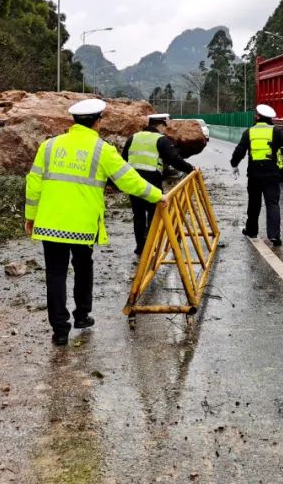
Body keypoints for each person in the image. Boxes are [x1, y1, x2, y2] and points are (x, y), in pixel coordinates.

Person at [25, 99, 162, 346]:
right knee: (83, 267)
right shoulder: (102, 150)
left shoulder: (48, 146)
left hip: (49, 223)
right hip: (82, 226)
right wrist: (157, 196)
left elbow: (33, 183)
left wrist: (31, 216)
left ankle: (59, 330)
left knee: (55, 275)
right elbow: (129, 180)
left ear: (74, 121)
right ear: (98, 121)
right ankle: (82, 315)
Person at [230, 104, 283, 247]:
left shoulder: (249, 132)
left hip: (254, 175)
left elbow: (239, 151)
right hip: (271, 174)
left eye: (255, 114)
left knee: (254, 204)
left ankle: (251, 230)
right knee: (272, 204)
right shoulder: (276, 132)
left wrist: (234, 165)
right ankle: (274, 236)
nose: (254, 116)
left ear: (258, 117)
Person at [122, 113, 195, 259]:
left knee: (138, 216)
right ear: (160, 125)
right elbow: (175, 159)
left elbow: (123, 160)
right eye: (164, 126)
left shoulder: (133, 138)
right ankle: (150, 246)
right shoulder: (160, 140)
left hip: (134, 182)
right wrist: (190, 169)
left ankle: (140, 247)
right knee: (154, 215)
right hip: (152, 182)